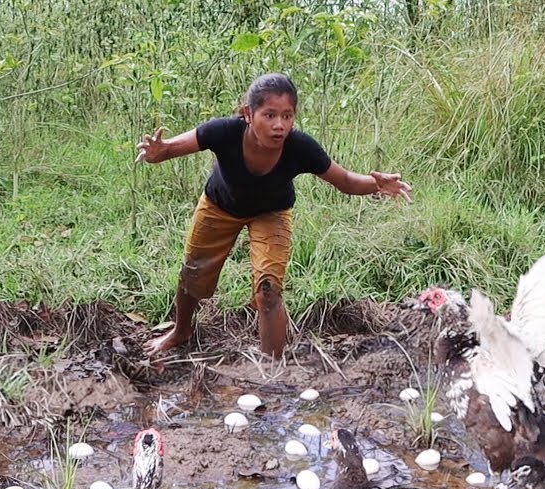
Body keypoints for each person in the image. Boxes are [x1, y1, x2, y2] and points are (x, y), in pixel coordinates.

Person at [135, 72, 412, 359]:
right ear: (247, 114)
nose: (279, 125)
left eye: (287, 115)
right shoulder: (222, 132)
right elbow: (169, 149)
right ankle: (181, 332)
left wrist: (376, 184)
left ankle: (271, 368)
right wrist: (157, 152)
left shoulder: (300, 147)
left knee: (268, 290)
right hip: (219, 207)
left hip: (272, 213)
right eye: (269, 115)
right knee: (194, 272)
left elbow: (346, 181)